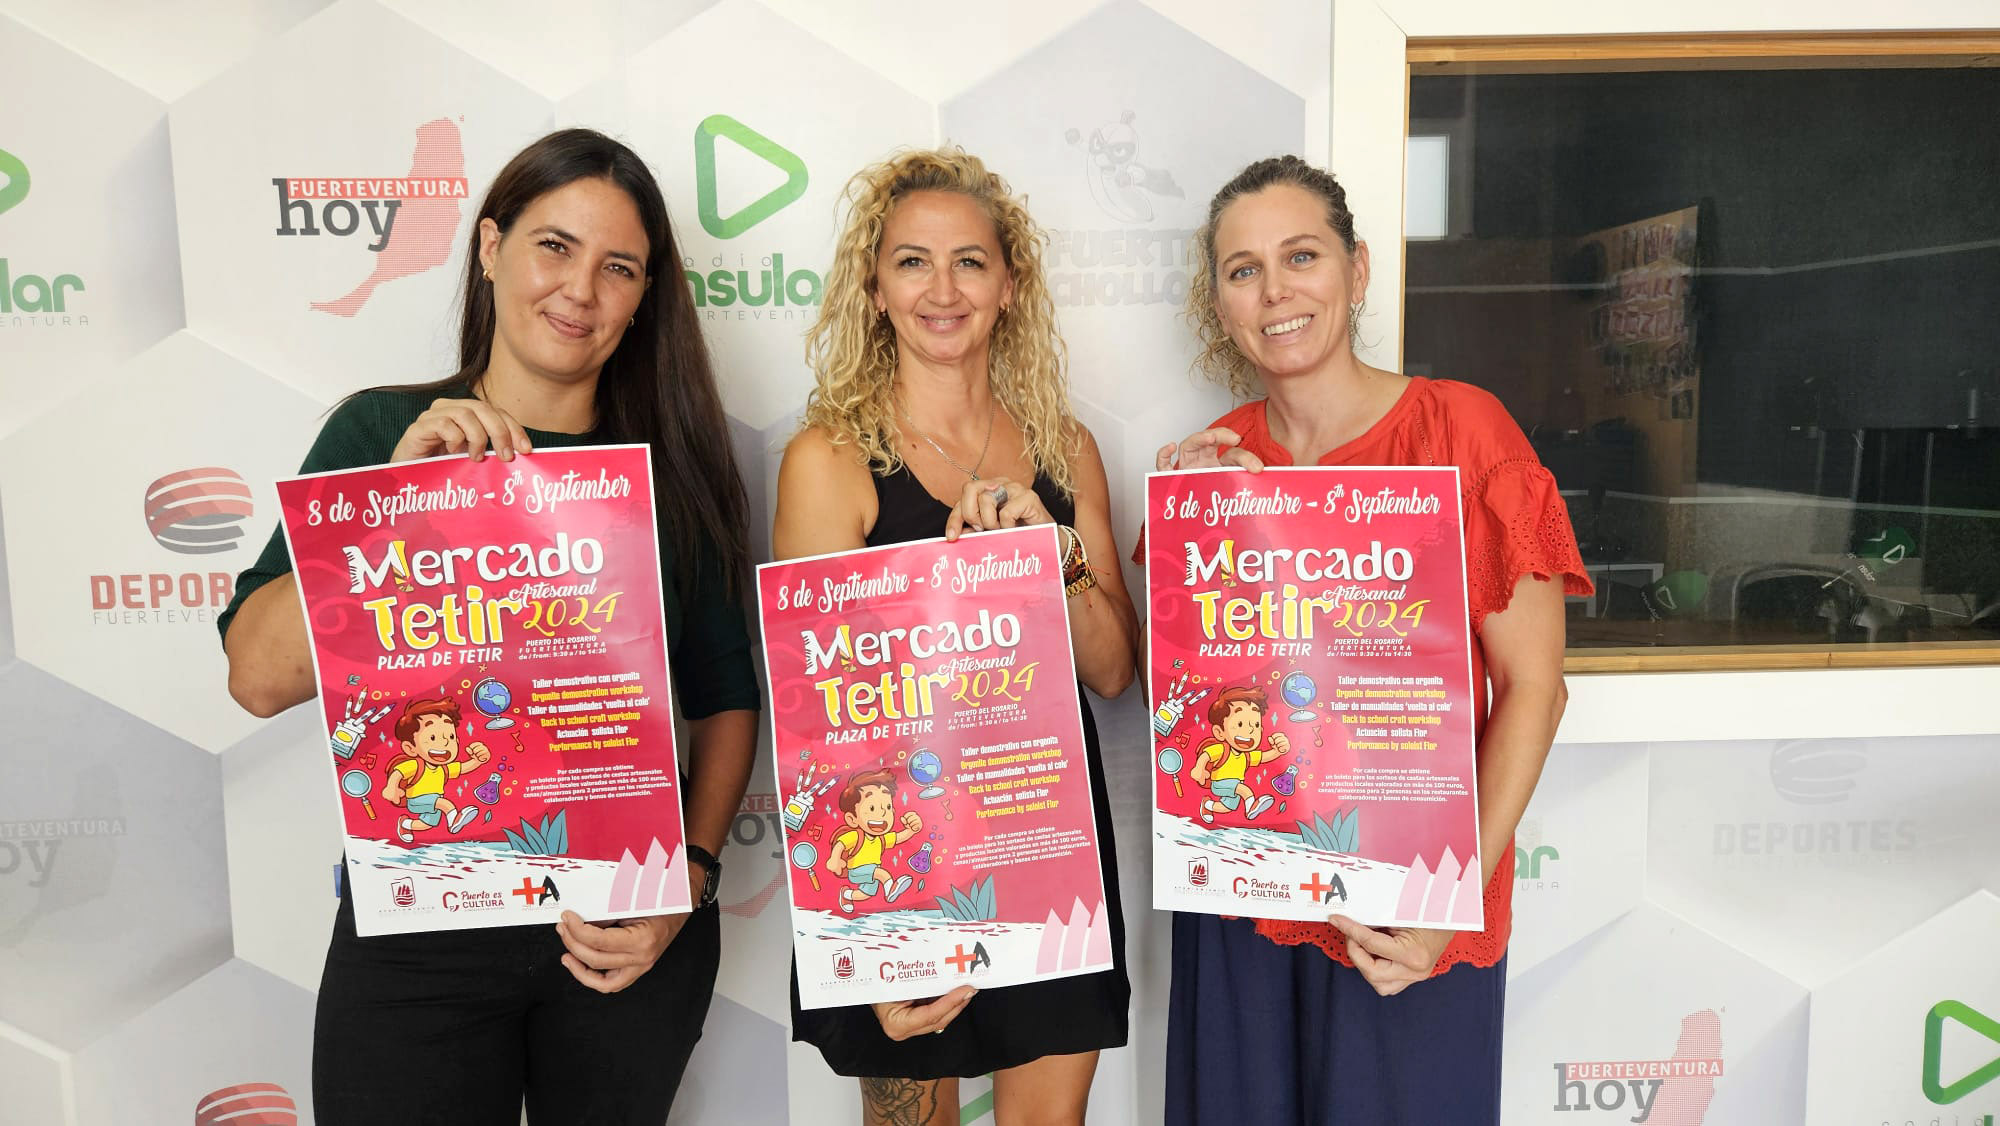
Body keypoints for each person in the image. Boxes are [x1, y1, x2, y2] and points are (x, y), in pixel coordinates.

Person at [218, 128, 760, 1125]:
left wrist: (688, 879)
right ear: (490, 247)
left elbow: (725, 698)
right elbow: (257, 677)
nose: (580, 290)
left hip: (621, 932)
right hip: (418, 930)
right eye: (554, 246)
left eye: (618, 267)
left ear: (644, 296)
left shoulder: (672, 470)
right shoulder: (378, 433)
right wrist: (400, 497)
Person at [1154, 154, 1589, 1125]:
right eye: (1242, 270)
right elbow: (1188, 710)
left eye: (1300, 256)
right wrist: (1190, 538)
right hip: (1244, 904)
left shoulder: (1462, 431)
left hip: (1404, 910)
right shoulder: (1217, 459)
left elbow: (1535, 686)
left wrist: (1444, 903)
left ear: (1355, 270)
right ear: (1219, 302)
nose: (1274, 290)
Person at [774, 148, 1140, 1126]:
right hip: (897, 850)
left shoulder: (1065, 449)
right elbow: (819, 724)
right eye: (912, 262)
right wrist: (867, 936)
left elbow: (1112, 671)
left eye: (969, 262)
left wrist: (1054, 556)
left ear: (1009, 287)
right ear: (874, 288)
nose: (942, 289)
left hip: (1043, 835)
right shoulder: (829, 460)